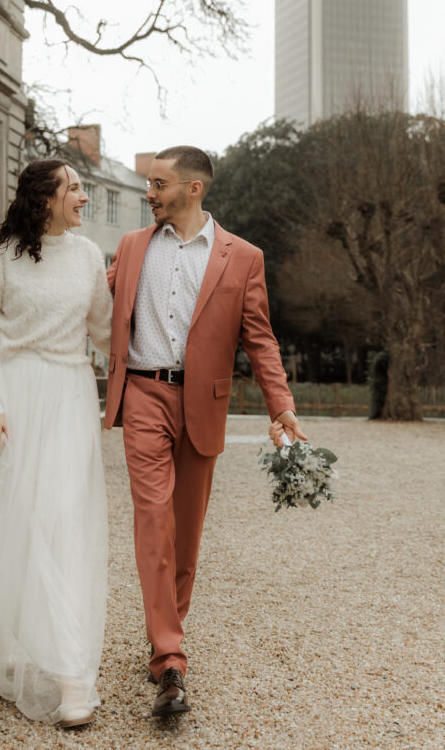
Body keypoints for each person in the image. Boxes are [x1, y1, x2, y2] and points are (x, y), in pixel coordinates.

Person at [104, 145, 307, 717]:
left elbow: (260, 339)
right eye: (147, 182)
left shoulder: (243, 258)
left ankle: (165, 633)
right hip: (142, 392)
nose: (149, 192)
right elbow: (93, 299)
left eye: (158, 183)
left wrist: (280, 405)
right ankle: (170, 659)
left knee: (186, 534)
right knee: (152, 516)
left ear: (193, 189)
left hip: (202, 402)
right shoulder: (131, 246)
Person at [0, 159, 112, 729]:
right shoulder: (0, 257)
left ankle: (67, 671)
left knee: (60, 521)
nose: (84, 197)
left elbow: (107, 333)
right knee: (18, 522)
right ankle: (34, 665)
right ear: (45, 198)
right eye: (76, 188)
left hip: (70, 396)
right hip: (13, 401)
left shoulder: (88, 258)